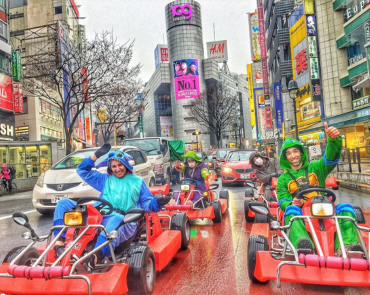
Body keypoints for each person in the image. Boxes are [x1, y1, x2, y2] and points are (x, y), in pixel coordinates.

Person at [52, 144, 171, 268]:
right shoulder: (105, 179)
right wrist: (95, 156)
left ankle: (96, 256)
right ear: (110, 167)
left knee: (116, 219)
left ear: (126, 165)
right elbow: (82, 170)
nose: (117, 169)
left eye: (120, 165)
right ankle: (60, 243)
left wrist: (158, 202)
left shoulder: (138, 182)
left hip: (124, 221)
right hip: (99, 216)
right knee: (63, 203)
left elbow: (147, 204)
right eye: (114, 166)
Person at [277, 123, 361, 256]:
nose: (293, 156)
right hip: (301, 210)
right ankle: (303, 245)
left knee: (346, 208)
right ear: (285, 157)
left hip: (323, 206)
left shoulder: (316, 167)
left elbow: (330, 159)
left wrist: (333, 140)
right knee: (290, 210)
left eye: (295, 151)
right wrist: (290, 203)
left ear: (301, 152)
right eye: (288, 153)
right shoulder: (283, 179)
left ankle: (346, 246)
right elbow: (282, 198)